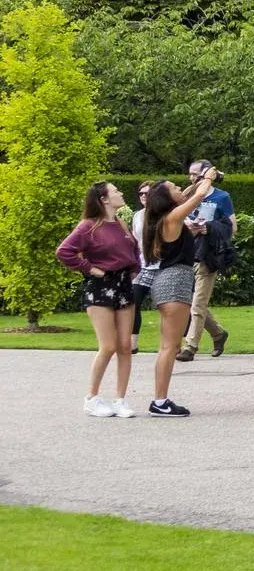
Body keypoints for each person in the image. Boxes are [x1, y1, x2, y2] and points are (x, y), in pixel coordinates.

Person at [139, 168, 220, 416]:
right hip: (175, 282)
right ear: (167, 198)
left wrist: (195, 184)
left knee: (168, 347)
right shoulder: (172, 218)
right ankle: (160, 401)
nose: (179, 189)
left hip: (168, 281)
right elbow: (197, 197)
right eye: (174, 188)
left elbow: (187, 194)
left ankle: (160, 400)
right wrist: (207, 179)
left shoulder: (163, 220)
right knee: (169, 347)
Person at [55, 182, 140, 418]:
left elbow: (134, 250)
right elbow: (64, 251)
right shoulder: (88, 226)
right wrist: (89, 269)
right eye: (115, 191)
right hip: (101, 287)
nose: (120, 193)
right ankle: (92, 398)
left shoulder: (121, 223)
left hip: (123, 285)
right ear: (103, 199)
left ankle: (120, 400)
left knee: (125, 346)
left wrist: (135, 267)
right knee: (109, 346)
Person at [176, 159, 233, 362]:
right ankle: (218, 334)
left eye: (196, 175)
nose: (192, 178)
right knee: (192, 302)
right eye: (190, 174)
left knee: (198, 301)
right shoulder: (187, 195)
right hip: (185, 253)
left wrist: (209, 228)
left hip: (207, 255)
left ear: (209, 174)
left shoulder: (221, 197)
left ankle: (190, 346)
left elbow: (231, 228)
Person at [128, 181, 160, 355]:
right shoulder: (137, 215)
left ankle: (188, 343)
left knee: (172, 306)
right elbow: (135, 241)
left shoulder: (166, 214)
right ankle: (132, 344)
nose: (143, 196)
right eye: (140, 193)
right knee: (133, 301)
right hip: (144, 265)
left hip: (164, 265)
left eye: (147, 193)